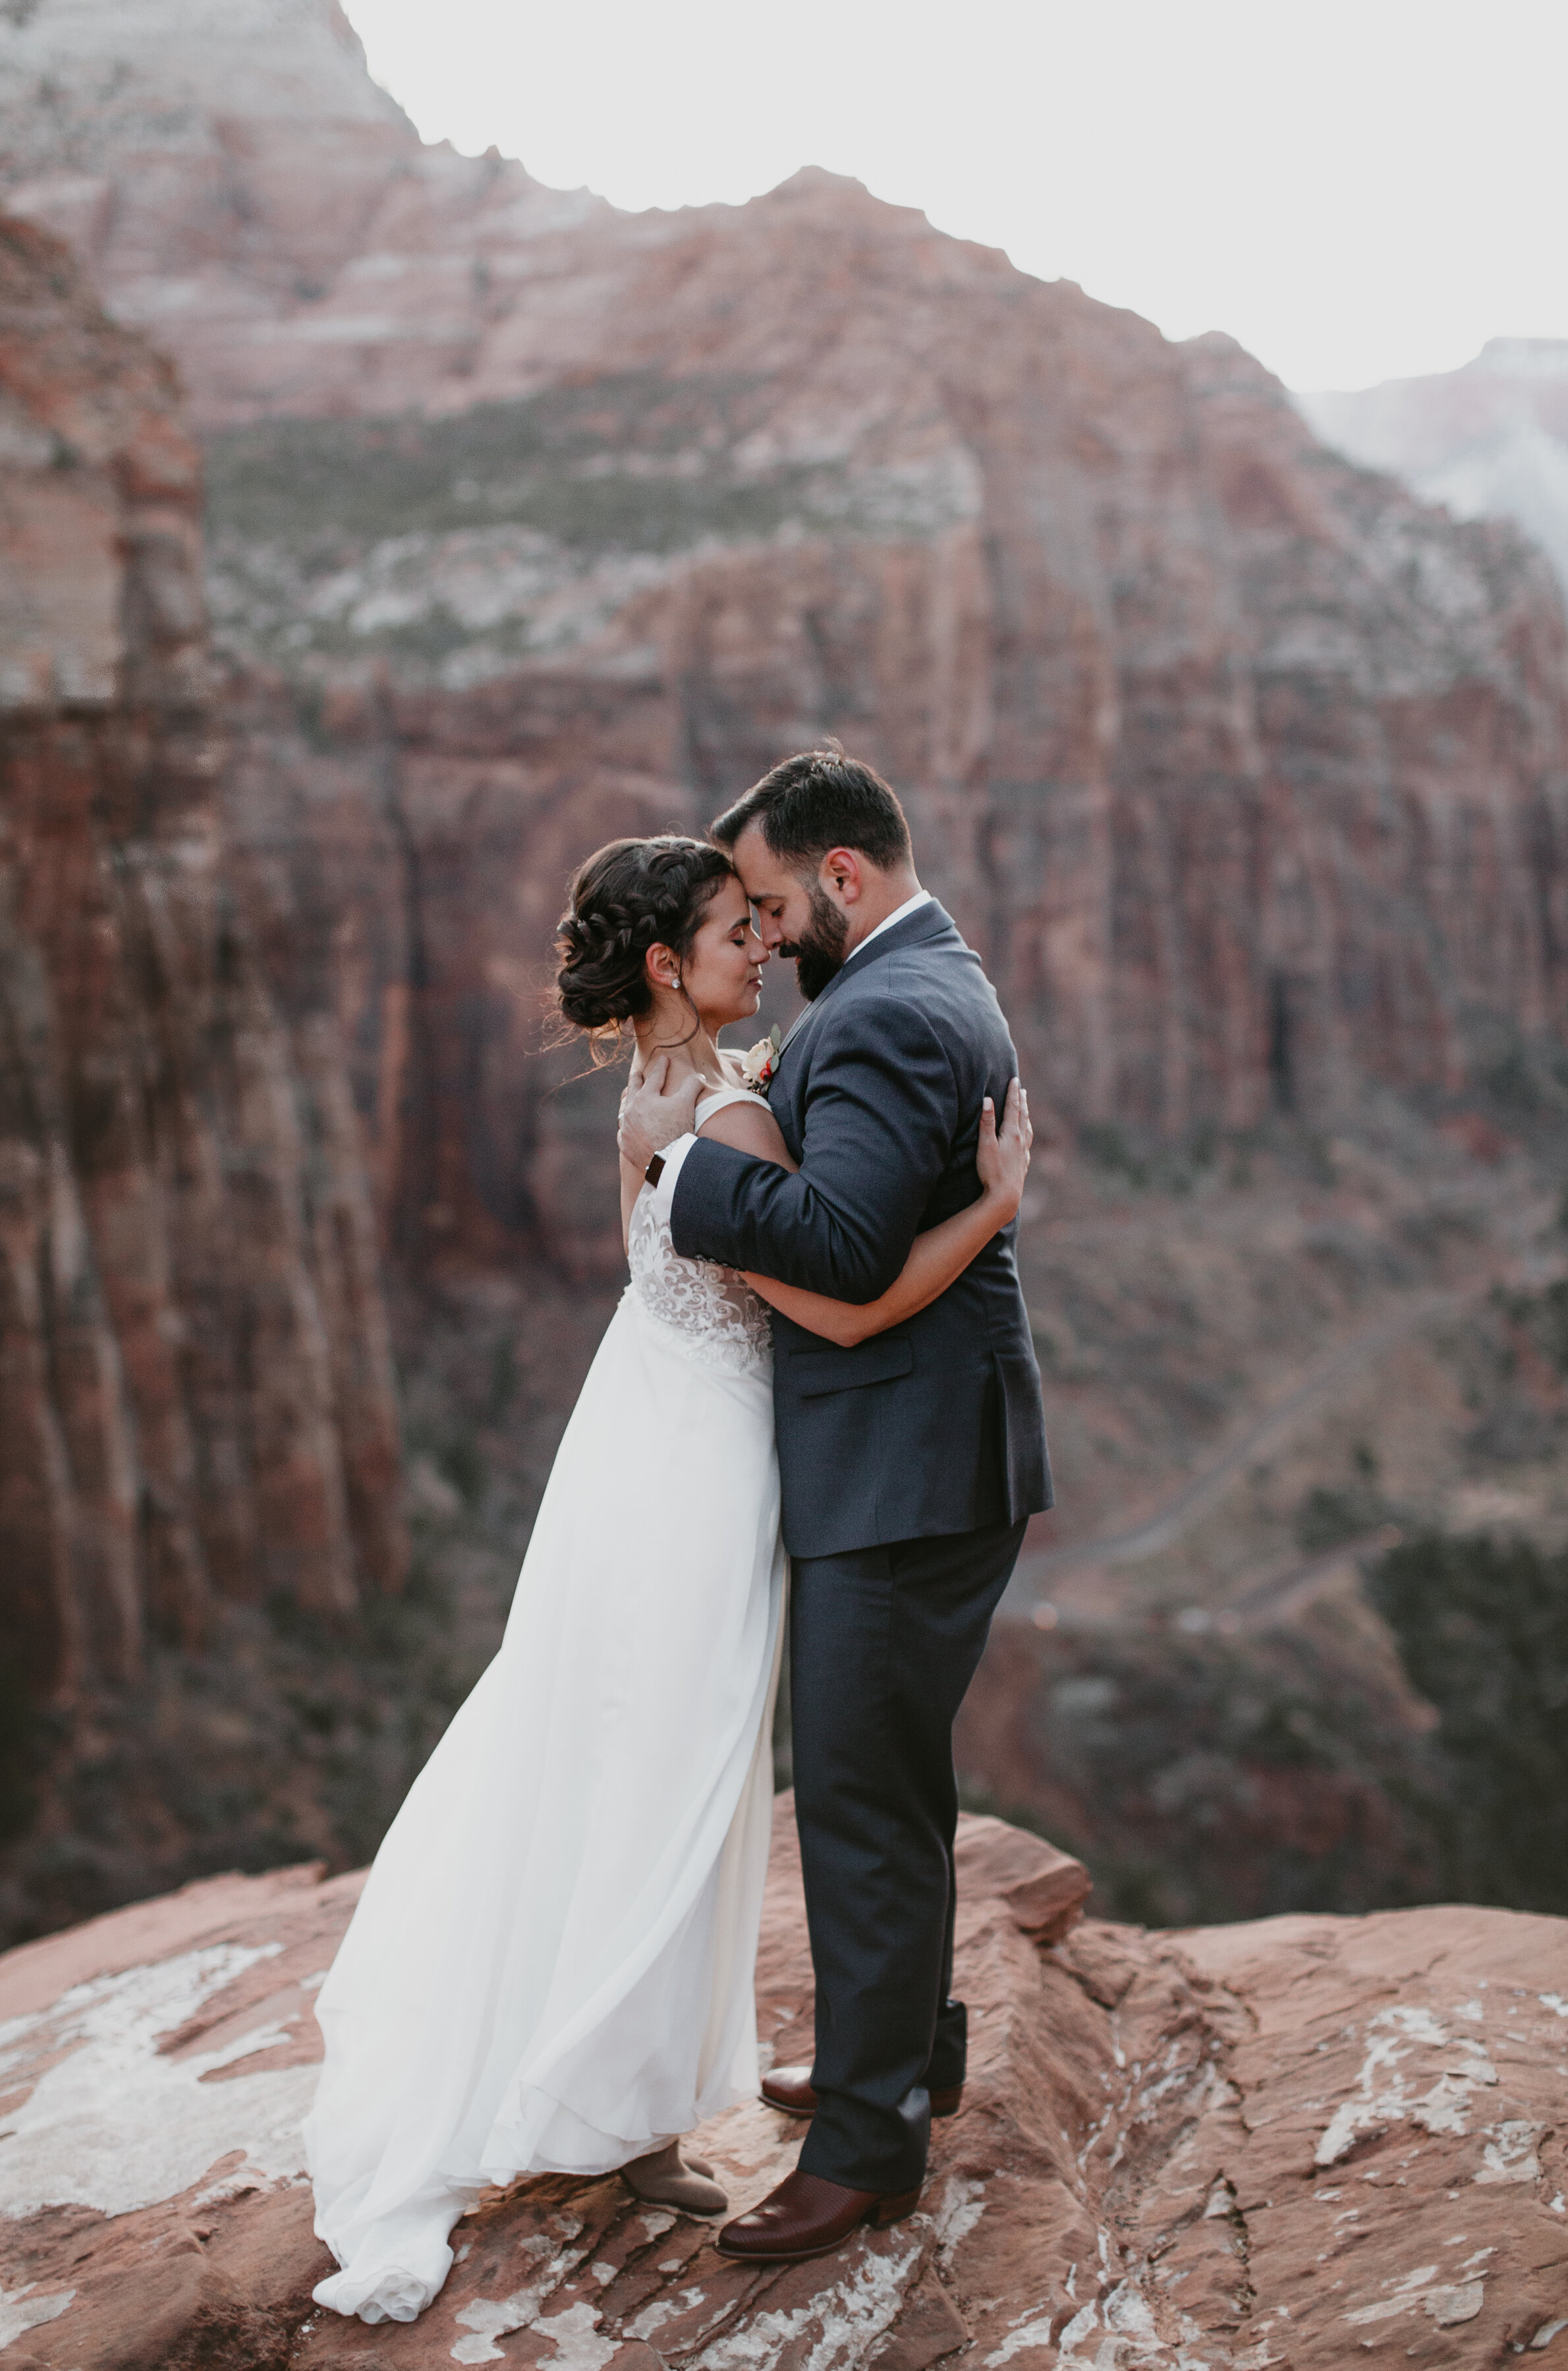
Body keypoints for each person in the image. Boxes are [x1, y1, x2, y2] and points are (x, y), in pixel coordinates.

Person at [304, 831, 1032, 2324]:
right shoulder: (723, 1116)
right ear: (662, 964)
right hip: (704, 1480)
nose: (759, 943)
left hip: (634, 1448)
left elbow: (660, 1271)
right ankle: (612, 2106)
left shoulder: (648, 1097)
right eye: (730, 928)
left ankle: (614, 2099)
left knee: (635, 1769)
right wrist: (993, 1205)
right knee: (682, 1788)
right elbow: (834, 1317)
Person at [619, 751, 1053, 2266]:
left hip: (902, 1466)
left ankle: (865, 2146)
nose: (766, 925)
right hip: (927, 1455)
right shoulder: (926, 974)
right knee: (888, 1780)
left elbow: (846, 1259)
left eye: (772, 899)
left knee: (862, 1803)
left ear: (842, 878)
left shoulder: (875, 1013)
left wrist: (675, 1174)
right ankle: (900, 2052)